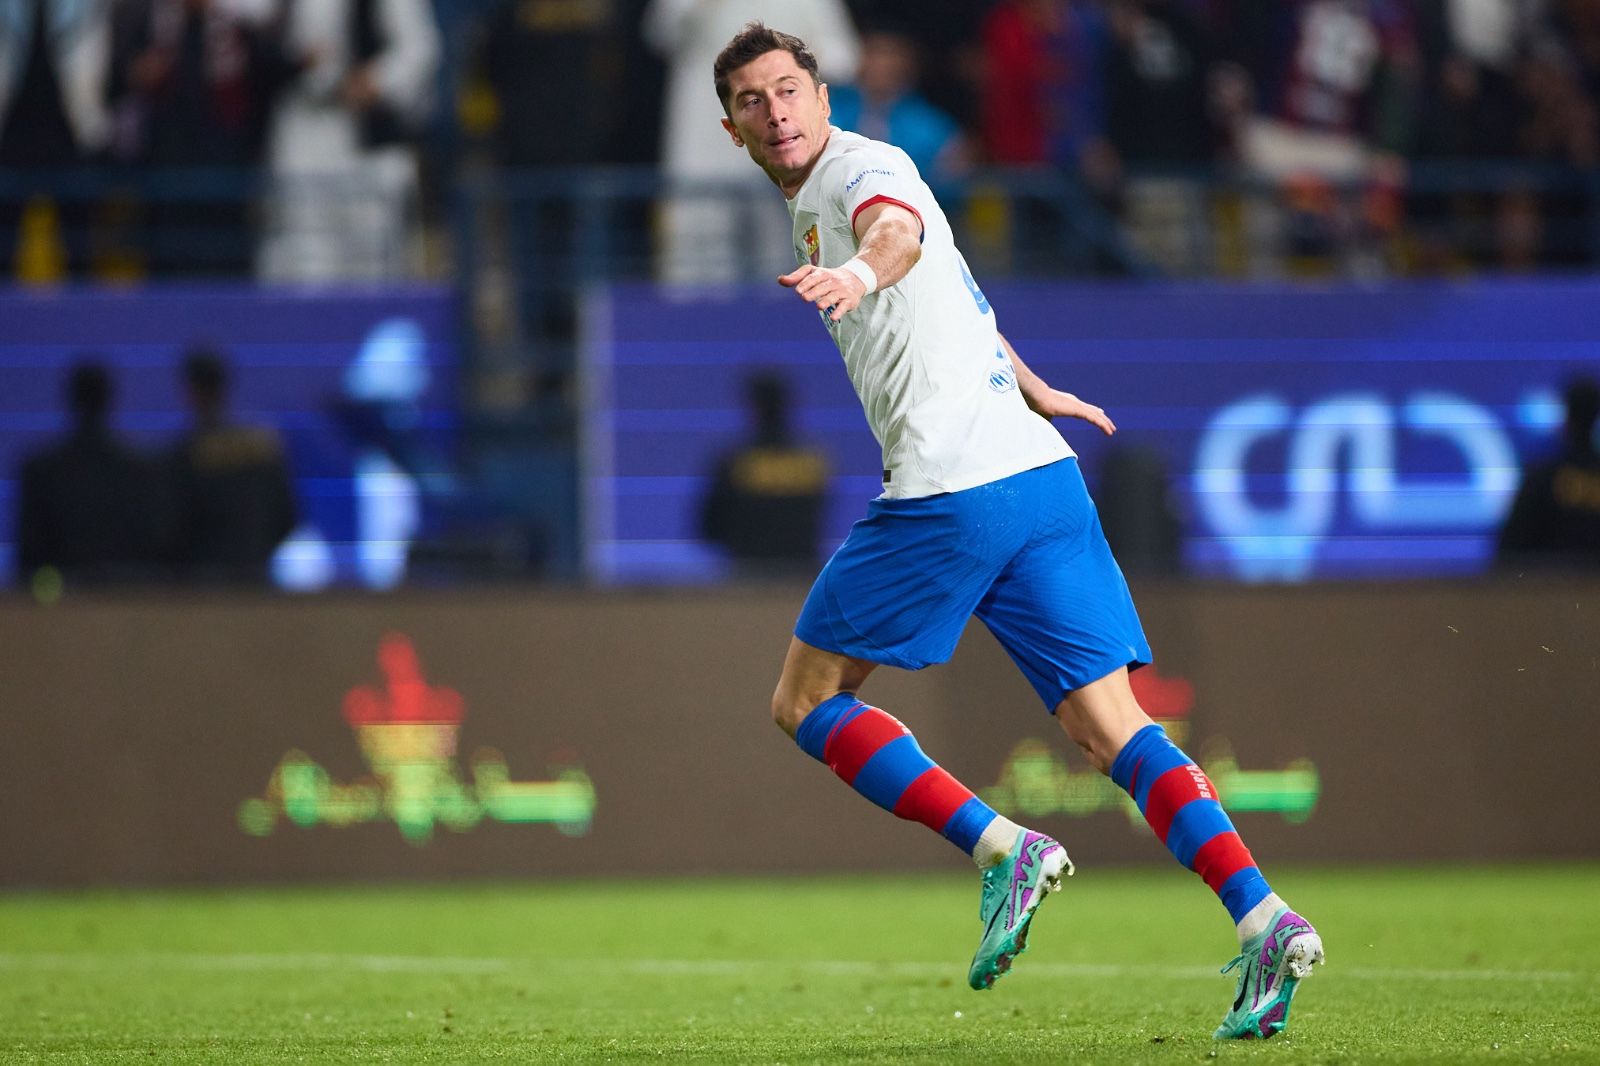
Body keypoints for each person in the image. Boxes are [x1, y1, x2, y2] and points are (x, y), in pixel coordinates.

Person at [712, 23, 1323, 1039]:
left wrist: (860, 276)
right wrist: (1037, 388)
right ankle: (1263, 917)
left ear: (824, 96)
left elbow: (896, 238)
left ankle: (1001, 847)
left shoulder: (860, 170)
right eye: (752, 100)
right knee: (1108, 726)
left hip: (951, 490)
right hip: (1040, 477)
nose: (775, 112)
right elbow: (960, 290)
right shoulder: (824, 199)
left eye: (787, 90)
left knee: (804, 697)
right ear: (731, 129)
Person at [14, 360, 155, 588]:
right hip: (126, 605)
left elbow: (28, 561)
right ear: (109, 399)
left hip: (54, 608)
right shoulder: (141, 470)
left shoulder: (41, 470)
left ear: (70, 399)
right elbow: (152, 555)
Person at [166, 347, 297, 583]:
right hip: (255, 582)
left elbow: (170, 531)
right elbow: (287, 517)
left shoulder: (184, 455)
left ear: (190, 389)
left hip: (200, 591)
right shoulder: (261, 449)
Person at [699, 370, 829, 577]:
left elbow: (709, 529)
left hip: (748, 584)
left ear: (754, 408)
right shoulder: (813, 463)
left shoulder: (735, 463)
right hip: (803, 583)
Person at [1497, 377, 1600, 571]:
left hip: (1548, 596)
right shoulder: (1543, 478)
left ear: (1567, 417)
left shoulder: (1543, 479)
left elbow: (1508, 555)